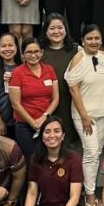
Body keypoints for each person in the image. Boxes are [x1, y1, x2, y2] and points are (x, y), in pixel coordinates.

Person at [66, 24, 104, 206]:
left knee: (98, 152)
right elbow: (73, 88)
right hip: (84, 114)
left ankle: (91, 190)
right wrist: (84, 116)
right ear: (83, 40)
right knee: (91, 152)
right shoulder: (79, 58)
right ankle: (90, 195)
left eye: (97, 38)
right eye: (90, 38)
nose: (93, 41)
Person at [22, 117, 83, 206]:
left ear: (63, 136)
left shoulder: (74, 158)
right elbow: (32, 192)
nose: (52, 135)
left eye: (57, 131)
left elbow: (75, 197)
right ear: (41, 136)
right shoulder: (35, 158)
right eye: (47, 132)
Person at [9, 37, 59, 159]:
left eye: (36, 52)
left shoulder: (49, 69)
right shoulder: (17, 73)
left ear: (41, 52)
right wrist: (33, 123)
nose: (33, 55)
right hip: (25, 125)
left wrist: (44, 117)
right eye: (29, 52)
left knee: (49, 158)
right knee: (32, 159)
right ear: (23, 54)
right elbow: (15, 104)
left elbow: (56, 98)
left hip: (47, 123)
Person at [40, 13, 79, 146]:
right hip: (46, 104)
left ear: (65, 29)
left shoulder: (76, 50)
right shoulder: (39, 52)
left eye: (60, 27)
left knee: (69, 142)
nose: (56, 31)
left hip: (71, 102)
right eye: (52, 28)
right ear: (45, 31)